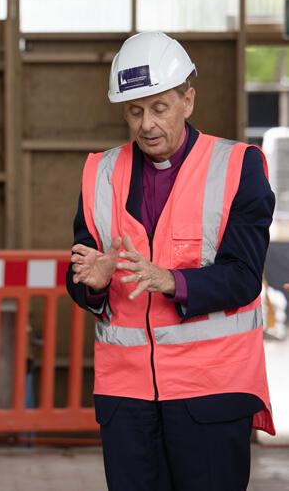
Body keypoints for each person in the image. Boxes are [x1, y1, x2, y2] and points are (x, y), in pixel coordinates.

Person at [66, 31, 275, 490]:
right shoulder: (100, 173)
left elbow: (243, 278)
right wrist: (94, 282)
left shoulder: (239, 167)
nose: (146, 124)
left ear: (188, 100)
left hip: (211, 392)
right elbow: (80, 272)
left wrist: (171, 281)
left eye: (159, 108)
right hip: (127, 397)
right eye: (134, 111)